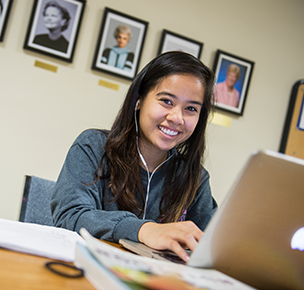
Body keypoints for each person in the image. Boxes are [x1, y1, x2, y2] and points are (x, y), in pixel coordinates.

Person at [51, 51, 218, 262]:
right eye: (166, 101)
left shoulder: (196, 178)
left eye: (191, 108)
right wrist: (144, 230)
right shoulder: (93, 146)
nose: (177, 117)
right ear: (139, 100)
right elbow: (70, 216)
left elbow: (210, 246)